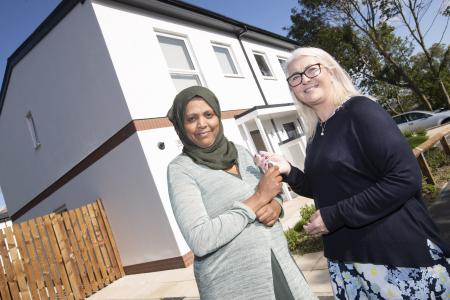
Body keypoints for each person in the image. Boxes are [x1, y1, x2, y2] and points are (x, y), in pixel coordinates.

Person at [255, 47, 450, 299]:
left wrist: (334, 216)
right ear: (292, 88)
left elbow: (405, 177)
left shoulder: (360, 110)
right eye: (295, 77)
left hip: (394, 256)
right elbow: (321, 189)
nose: (304, 79)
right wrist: (288, 170)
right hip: (347, 262)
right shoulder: (316, 134)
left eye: (312, 69)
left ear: (331, 72)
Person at [166, 86, 317, 300]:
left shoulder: (240, 152)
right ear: (181, 126)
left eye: (208, 115)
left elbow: (269, 190)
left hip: (278, 266)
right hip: (234, 283)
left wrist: (276, 205)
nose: (202, 124)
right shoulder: (181, 170)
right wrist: (258, 199)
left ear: (217, 115)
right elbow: (200, 239)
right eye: (191, 119)